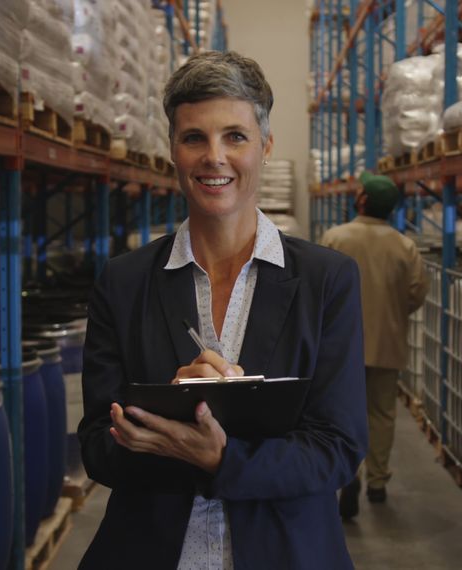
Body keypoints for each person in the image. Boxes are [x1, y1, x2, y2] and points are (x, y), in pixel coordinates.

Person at [77, 51, 368, 570]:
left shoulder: (327, 281)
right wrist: (169, 412)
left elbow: (338, 447)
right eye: (194, 138)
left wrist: (221, 459)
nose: (215, 156)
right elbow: (98, 445)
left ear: (265, 146)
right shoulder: (123, 283)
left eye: (235, 136)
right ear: (172, 150)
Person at [319, 172, 429, 519]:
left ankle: (349, 474)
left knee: (341, 411)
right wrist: (392, 313)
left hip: (340, 345)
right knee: (381, 413)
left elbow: (317, 288)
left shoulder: (335, 238)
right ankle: (378, 481)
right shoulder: (404, 246)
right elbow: (416, 293)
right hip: (387, 341)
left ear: (363, 200)